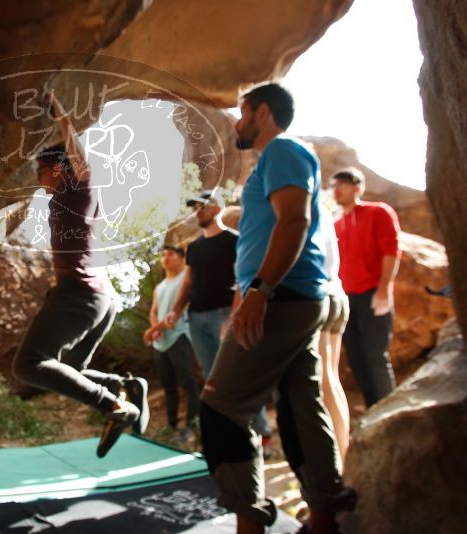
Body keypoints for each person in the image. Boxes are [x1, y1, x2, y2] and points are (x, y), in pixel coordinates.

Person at [198, 83, 355, 534]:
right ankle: (324, 516)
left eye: (243, 112)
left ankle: (250, 521)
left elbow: (295, 219)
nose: (237, 122)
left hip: (281, 298)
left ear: (262, 112)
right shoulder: (276, 159)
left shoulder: (284, 150)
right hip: (289, 298)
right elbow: (269, 228)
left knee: (222, 405)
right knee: (301, 408)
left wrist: (260, 291)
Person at [12, 91, 149, 459]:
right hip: (100, 299)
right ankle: (124, 386)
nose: (38, 178)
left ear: (59, 169)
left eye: (41, 170)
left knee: (29, 364)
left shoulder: (77, 190)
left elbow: (79, 159)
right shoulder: (66, 200)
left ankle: (115, 405)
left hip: (81, 294)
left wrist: (60, 115)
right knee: (72, 368)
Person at [165, 191, 273, 456]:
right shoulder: (194, 248)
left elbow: (243, 280)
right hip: (196, 319)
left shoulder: (235, 241)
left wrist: (233, 319)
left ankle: (263, 436)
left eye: (201, 207)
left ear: (216, 209)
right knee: (213, 380)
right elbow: (188, 283)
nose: (196, 212)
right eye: (194, 207)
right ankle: (231, 437)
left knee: (239, 375)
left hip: (225, 316)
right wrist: (176, 311)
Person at [331, 167, 401, 407]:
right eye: (334, 185)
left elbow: (391, 251)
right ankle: (374, 411)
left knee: (375, 355)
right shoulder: (335, 224)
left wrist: (383, 289)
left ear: (357, 187)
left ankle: (389, 413)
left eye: (343, 184)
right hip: (346, 300)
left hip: (373, 294)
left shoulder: (378, 212)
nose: (337, 190)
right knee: (356, 358)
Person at [143, 245, 200, 444]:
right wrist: (155, 329)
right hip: (161, 343)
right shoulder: (159, 287)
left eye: (171, 254)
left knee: (188, 383)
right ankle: (172, 426)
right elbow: (154, 311)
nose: (166, 258)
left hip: (179, 337)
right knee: (169, 387)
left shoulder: (185, 278)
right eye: (164, 255)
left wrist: (151, 331)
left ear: (182, 259)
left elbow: (176, 312)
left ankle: (191, 427)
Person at [318, 202, 351, 461]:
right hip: (338, 294)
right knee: (331, 379)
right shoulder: (325, 211)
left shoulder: (302, 205)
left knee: (322, 383)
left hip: (322, 297)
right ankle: (345, 450)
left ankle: (338, 459)